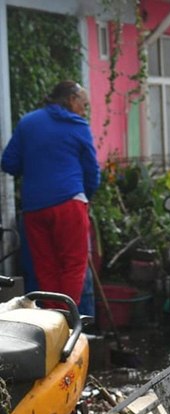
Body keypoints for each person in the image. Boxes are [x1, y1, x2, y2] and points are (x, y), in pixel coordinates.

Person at [1, 81, 99, 305]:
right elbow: (92, 171)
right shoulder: (77, 126)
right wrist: (86, 195)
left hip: (34, 208)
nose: (85, 111)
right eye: (84, 104)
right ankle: (66, 318)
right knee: (73, 266)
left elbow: (9, 163)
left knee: (45, 268)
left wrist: (35, 168)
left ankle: (52, 319)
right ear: (71, 100)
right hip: (69, 204)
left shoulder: (28, 122)